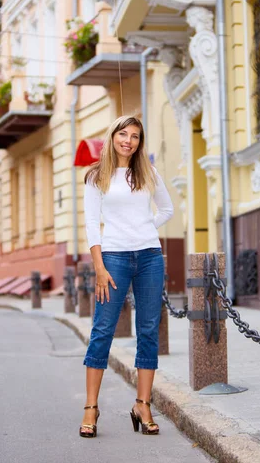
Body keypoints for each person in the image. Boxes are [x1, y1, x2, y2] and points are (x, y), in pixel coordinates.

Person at [79, 115, 174, 438]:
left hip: (149, 257)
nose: (128, 140)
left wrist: (145, 228)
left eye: (134, 136)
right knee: (102, 329)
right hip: (113, 258)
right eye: (123, 134)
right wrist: (99, 266)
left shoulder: (148, 172)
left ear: (139, 142)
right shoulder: (96, 176)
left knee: (148, 330)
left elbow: (167, 210)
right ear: (113, 136)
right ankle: (91, 408)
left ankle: (142, 404)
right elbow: (92, 224)